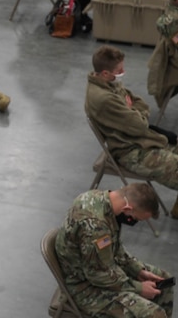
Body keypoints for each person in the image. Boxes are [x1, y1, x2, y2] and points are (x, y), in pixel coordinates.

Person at [53, 184, 170, 318]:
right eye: (136, 219)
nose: (134, 222)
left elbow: (114, 248)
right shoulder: (96, 226)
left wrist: (137, 270)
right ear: (127, 208)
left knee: (164, 281)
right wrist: (138, 288)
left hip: (103, 268)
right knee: (155, 314)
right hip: (84, 287)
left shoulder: (101, 199)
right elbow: (98, 276)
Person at [88, 46, 178, 206]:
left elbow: (140, 103)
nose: (123, 71)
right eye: (119, 69)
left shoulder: (109, 84)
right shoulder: (104, 98)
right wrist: (134, 111)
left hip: (140, 140)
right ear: (105, 73)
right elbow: (140, 125)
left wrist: (132, 110)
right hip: (130, 151)